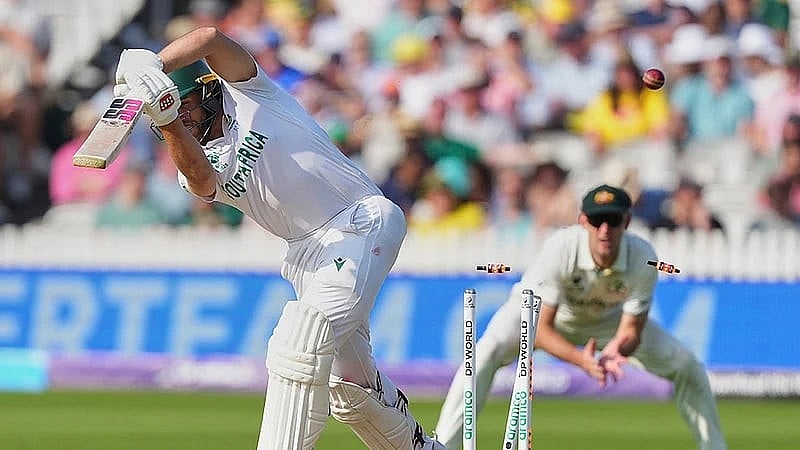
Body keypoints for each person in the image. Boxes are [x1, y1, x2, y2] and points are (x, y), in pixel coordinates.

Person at [113, 26, 445, 450]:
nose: (181, 120)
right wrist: (168, 118)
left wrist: (155, 63)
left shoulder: (253, 92)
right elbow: (200, 181)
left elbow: (212, 38)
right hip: (307, 256)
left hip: (358, 220)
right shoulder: (188, 157)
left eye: (186, 108)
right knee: (350, 389)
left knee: (298, 339)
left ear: (208, 92)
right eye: (170, 117)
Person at [435, 184, 728, 450]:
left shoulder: (643, 257)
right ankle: (444, 444)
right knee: (484, 353)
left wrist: (618, 348)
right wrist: (582, 361)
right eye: (596, 220)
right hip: (533, 313)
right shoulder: (561, 247)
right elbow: (541, 329)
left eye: (612, 221)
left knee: (687, 366)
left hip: (605, 322)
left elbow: (631, 329)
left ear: (625, 222)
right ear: (583, 221)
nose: (604, 230)